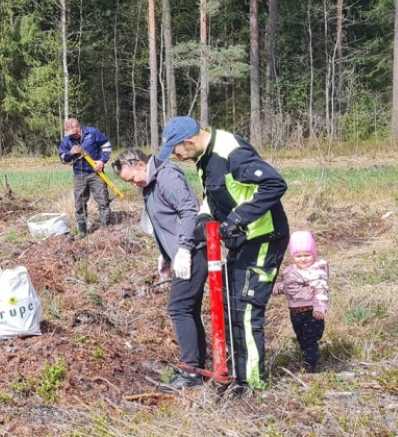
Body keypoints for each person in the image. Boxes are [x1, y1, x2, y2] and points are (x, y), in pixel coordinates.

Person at [158, 116, 288, 391]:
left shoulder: (230, 152)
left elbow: (275, 184)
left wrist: (237, 219)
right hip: (241, 242)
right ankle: (236, 373)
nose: (177, 157)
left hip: (263, 238)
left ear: (188, 141)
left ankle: (252, 385)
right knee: (232, 308)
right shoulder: (204, 158)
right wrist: (203, 222)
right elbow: (212, 197)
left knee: (246, 310)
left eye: (176, 150)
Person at [114, 148, 208, 392]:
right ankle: (195, 369)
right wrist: (165, 255)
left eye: (132, 178)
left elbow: (189, 211)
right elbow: (164, 222)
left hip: (193, 251)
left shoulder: (166, 177)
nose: (134, 184)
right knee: (189, 309)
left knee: (178, 308)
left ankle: (190, 373)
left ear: (140, 164)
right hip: (181, 253)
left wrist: (185, 249)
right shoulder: (150, 184)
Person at [274, 230, 329, 373]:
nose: (303, 259)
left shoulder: (316, 272)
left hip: (311, 312)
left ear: (313, 254)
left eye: (307, 255)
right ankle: (306, 360)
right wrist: (273, 289)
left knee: (310, 339)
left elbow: (321, 292)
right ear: (293, 256)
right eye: (299, 256)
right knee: (301, 338)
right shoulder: (291, 271)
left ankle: (309, 365)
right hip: (295, 313)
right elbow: (288, 286)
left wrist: (319, 308)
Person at [58, 118, 112, 234]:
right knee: (79, 204)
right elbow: (62, 158)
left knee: (103, 201)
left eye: (75, 132)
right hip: (79, 175)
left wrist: (102, 161)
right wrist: (70, 153)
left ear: (79, 126)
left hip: (96, 173)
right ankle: (82, 231)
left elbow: (106, 145)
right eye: (70, 134)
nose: (74, 136)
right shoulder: (67, 141)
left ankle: (106, 229)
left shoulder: (92, 133)